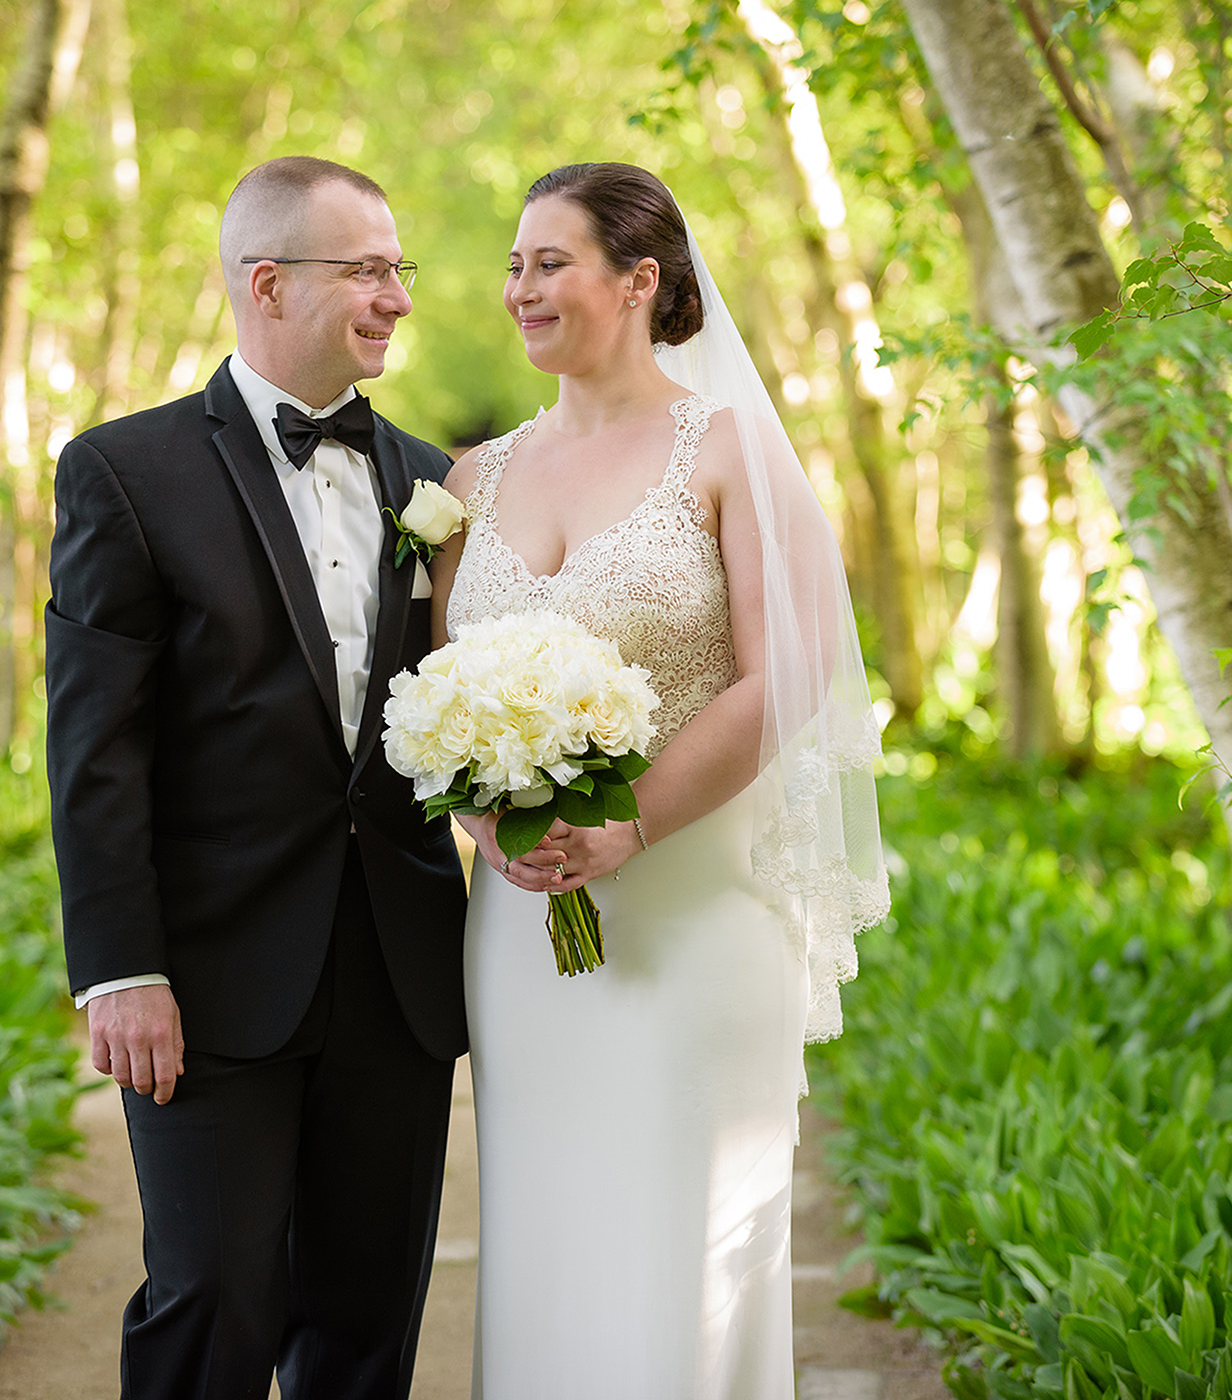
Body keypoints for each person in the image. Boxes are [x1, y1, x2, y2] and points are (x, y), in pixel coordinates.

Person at [427, 162, 890, 1397]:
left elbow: (786, 673)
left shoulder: (729, 449)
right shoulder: (470, 480)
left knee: (676, 1243)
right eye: (514, 263)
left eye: (549, 261)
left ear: (639, 281)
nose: (520, 288)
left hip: (691, 917)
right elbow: (433, 697)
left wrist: (626, 823)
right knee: (546, 1228)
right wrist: (490, 819)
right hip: (524, 930)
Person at [45, 155, 467, 1400]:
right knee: (213, 1297)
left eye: (400, 269)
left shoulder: (432, 479)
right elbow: (93, 748)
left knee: (366, 1315)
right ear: (269, 282)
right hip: (208, 976)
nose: (397, 295)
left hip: (393, 971)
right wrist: (121, 968)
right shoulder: (125, 471)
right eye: (370, 270)